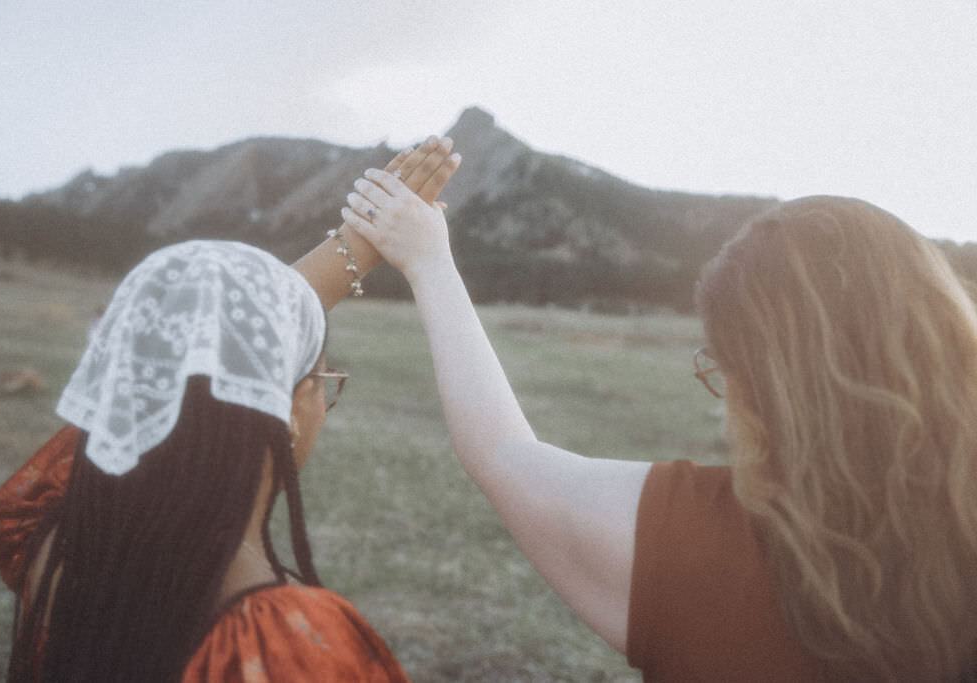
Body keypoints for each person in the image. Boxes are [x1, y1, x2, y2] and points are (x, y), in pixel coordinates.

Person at [342, 172, 977, 681]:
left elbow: (500, 450)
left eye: (727, 370)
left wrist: (430, 263)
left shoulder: (697, 544)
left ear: (771, 387)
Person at [0, 139, 460, 682]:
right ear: (284, 410)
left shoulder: (51, 547)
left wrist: (348, 248)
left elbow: (138, 401)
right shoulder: (290, 650)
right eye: (325, 382)